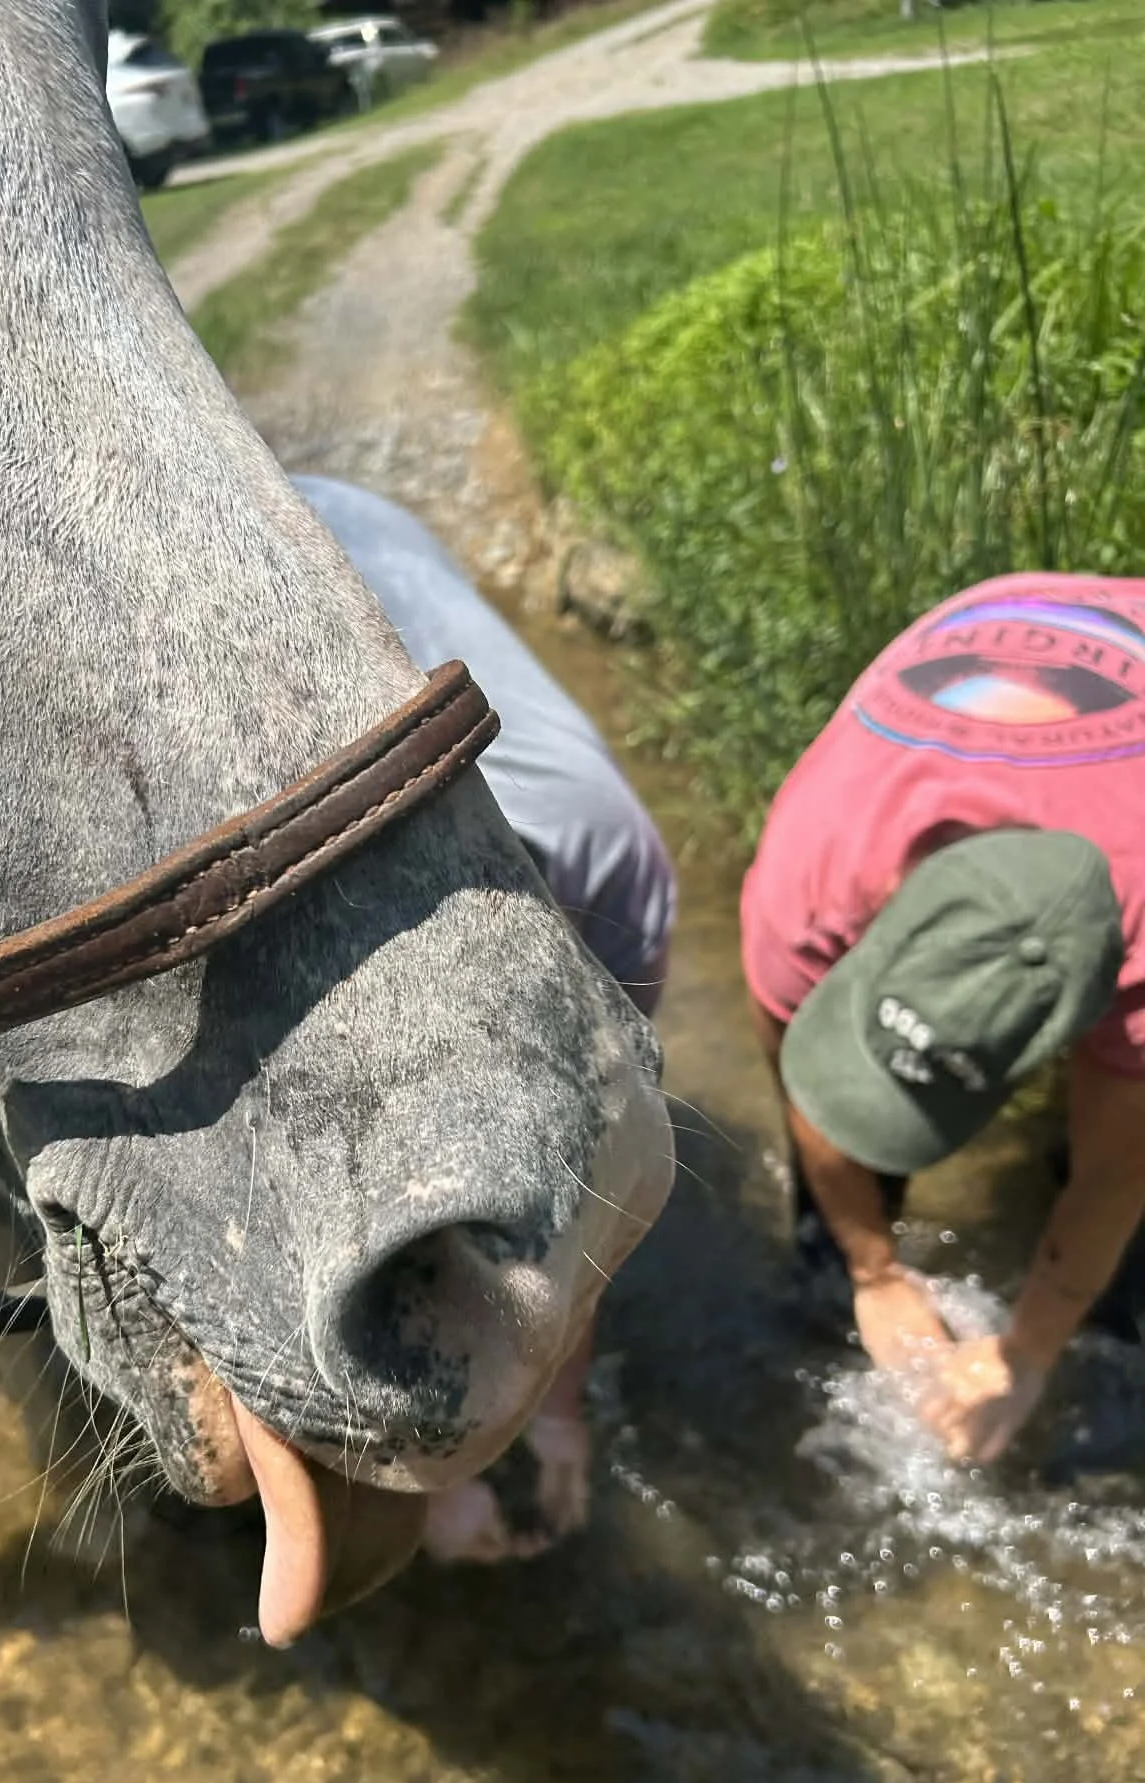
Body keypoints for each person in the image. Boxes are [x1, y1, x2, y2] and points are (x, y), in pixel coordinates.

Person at [294, 474, 676, 1559]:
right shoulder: (328, 905)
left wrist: (559, 1419)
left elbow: (593, 1174)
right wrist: (425, 1482)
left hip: (377, 534)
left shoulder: (618, 867)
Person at [742, 573, 1145, 1465]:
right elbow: (799, 1061)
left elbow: (1120, 1173)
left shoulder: (1141, 944)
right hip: (1017, 617)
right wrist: (871, 1272)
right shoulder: (811, 880)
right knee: (834, 1246)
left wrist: (1032, 1353)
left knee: (1117, 1236)